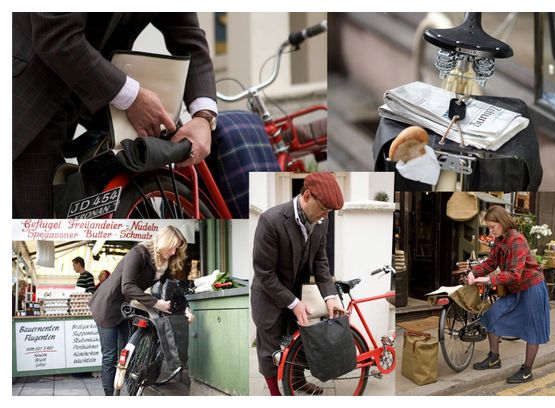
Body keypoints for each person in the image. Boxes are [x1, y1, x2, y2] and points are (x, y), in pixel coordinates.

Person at [13, 12, 279, 219]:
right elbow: (57, 37)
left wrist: (203, 116)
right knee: (38, 222)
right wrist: (132, 97)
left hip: (82, 90)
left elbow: (188, 38)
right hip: (23, 94)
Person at [251, 172, 346, 396]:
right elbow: (264, 272)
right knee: (270, 349)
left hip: (297, 293)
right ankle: (276, 394)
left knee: (298, 344)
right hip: (268, 294)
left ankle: (298, 382)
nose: (324, 216)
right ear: (306, 196)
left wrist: (330, 297)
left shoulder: (322, 218)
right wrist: (293, 303)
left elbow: (320, 259)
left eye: (329, 212)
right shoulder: (270, 221)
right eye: (322, 209)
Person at [88, 226, 194, 396]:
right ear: (163, 241)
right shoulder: (138, 253)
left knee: (126, 355)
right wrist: (157, 303)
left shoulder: (163, 264)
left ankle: (131, 395)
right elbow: (128, 286)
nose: (174, 251)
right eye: (173, 246)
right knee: (110, 355)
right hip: (107, 305)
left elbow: (172, 290)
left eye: (177, 248)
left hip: (124, 309)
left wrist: (185, 309)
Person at [466, 205, 550, 384]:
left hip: (531, 287)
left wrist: (488, 280)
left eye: (492, 226)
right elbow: (490, 263)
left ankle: (527, 370)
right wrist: (475, 272)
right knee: (492, 316)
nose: (490, 230)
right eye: (488, 227)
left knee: (532, 329)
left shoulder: (517, 240)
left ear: (502, 222)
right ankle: (494, 358)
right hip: (514, 288)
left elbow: (514, 274)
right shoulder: (499, 239)